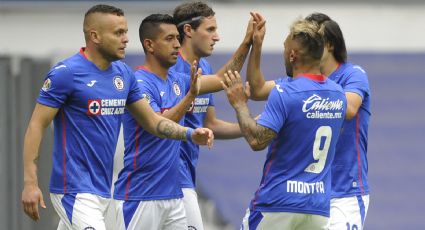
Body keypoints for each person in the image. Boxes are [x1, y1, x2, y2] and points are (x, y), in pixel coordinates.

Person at [21, 5, 213, 230]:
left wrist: (191, 134)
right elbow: (37, 124)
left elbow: (153, 122)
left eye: (126, 32)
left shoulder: (123, 74)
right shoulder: (67, 73)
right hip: (73, 189)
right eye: (118, 33)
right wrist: (30, 183)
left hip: (104, 190)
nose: (126, 39)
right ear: (95, 36)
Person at [247, 12, 371, 229]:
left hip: (345, 190)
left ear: (329, 44)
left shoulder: (353, 74)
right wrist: (256, 47)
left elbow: (349, 108)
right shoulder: (298, 83)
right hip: (311, 193)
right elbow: (257, 90)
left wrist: (301, 103)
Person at [222, 18, 347, 229]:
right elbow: (259, 87)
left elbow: (256, 141)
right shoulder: (338, 94)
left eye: (284, 48)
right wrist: (257, 46)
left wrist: (239, 104)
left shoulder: (285, 93)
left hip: (278, 204)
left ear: (292, 55)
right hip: (317, 208)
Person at [171, 2, 264, 229]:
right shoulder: (171, 68)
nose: (217, 37)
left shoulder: (204, 66)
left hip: (186, 177)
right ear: (188, 31)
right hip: (168, 176)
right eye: (210, 30)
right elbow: (225, 78)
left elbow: (210, 124)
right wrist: (246, 43)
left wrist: (250, 125)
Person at [113, 14, 203, 230]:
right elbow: (157, 125)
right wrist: (190, 97)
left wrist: (250, 44)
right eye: (169, 38)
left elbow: (220, 80)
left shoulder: (178, 80)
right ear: (149, 45)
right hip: (140, 195)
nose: (177, 44)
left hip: (173, 196)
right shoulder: (139, 84)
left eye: (178, 38)